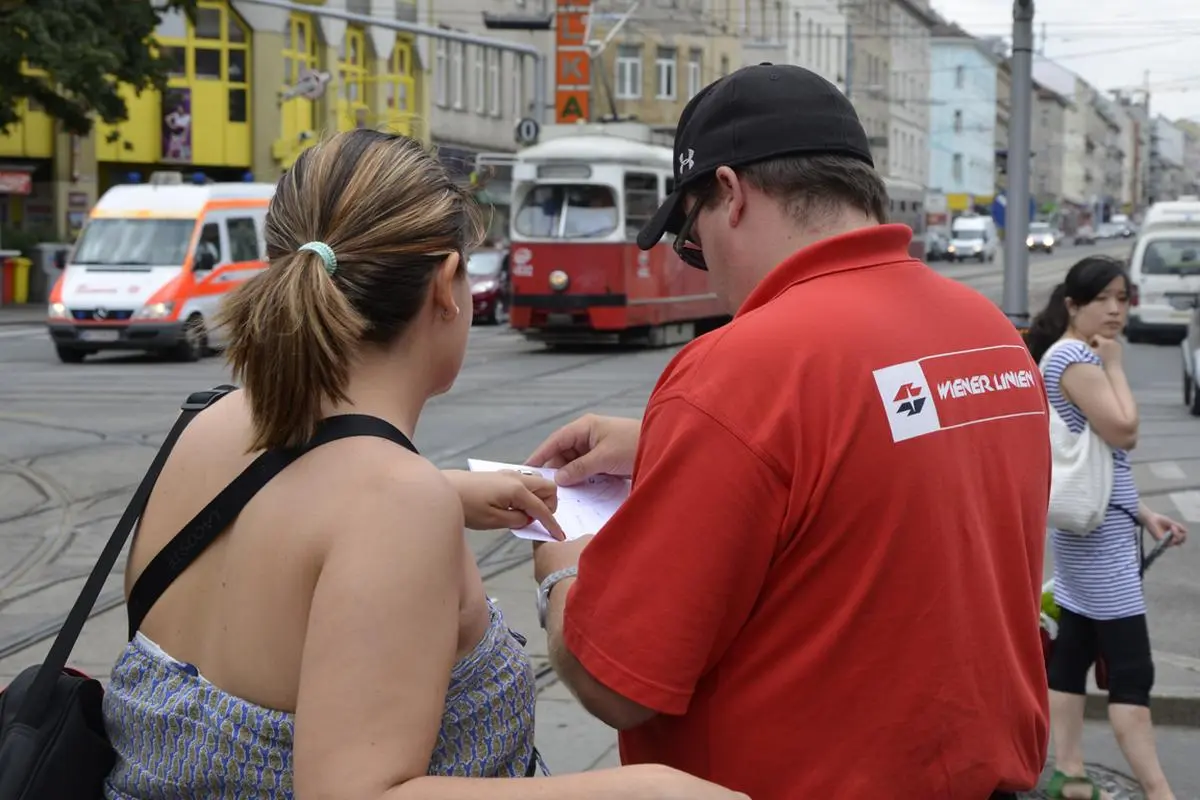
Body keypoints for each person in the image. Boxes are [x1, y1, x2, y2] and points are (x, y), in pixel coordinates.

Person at [102, 129, 745, 800]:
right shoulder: (394, 505)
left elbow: (284, 516)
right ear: (446, 285)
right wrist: (641, 790)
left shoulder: (208, 421)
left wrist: (447, 491)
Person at [526, 64, 1052, 799]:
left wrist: (561, 569)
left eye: (692, 238)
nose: (705, 271)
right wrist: (674, 446)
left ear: (732, 194)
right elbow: (889, 469)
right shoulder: (989, 335)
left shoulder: (743, 369)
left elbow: (615, 682)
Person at [1026, 256, 1188, 800]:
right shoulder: (1076, 357)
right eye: (1103, 299)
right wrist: (1115, 365)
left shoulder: (1067, 353)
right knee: (1132, 672)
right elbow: (1123, 432)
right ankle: (1159, 791)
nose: (1116, 310)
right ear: (1074, 305)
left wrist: (1142, 512)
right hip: (1102, 548)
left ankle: (1070, 774)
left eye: (1123, 298)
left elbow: (1100, 458)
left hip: (1095, 532)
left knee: (1072, 653)